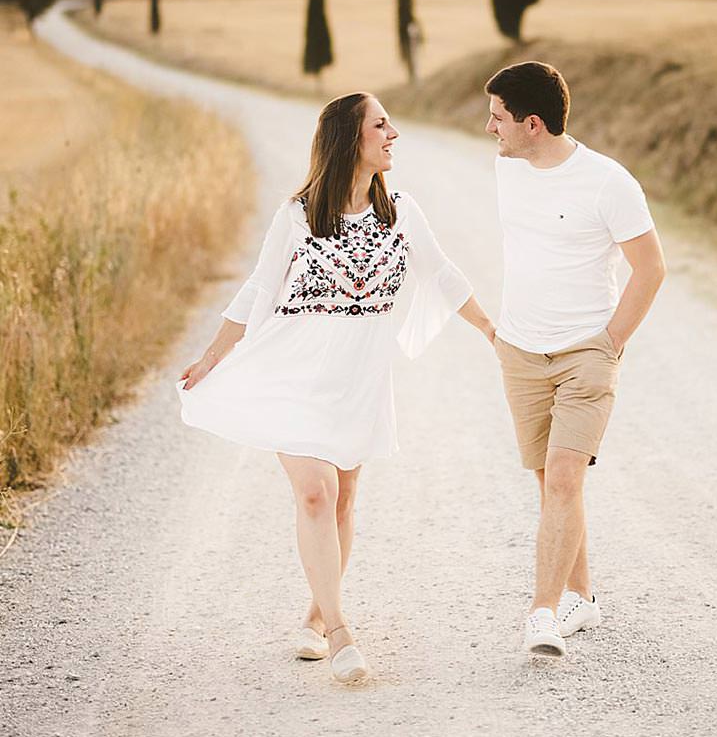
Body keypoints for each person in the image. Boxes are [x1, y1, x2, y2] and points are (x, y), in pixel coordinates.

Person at [177, 92, 495, 684]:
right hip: (292, 374)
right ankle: (344, 631)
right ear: (352, 138)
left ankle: (316, 618)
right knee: (317, 496)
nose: (393, 133)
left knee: (345, 499)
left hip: (358, 379)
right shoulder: (297, 214)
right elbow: (258, 290)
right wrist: (212, 356)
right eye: (381, 125)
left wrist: (494, 334)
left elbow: (444, 275)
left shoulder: (400, 211)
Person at [485, 62, 666, 658]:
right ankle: (581, 598)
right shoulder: (507, 171)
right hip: (519, 350)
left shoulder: (608, 182)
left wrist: (610, 342)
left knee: (564, 477)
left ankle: (541, 612)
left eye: (499, 118)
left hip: (585, 353)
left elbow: (651, 268)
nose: (491, 128)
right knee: (551, 484)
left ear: (532, 124)